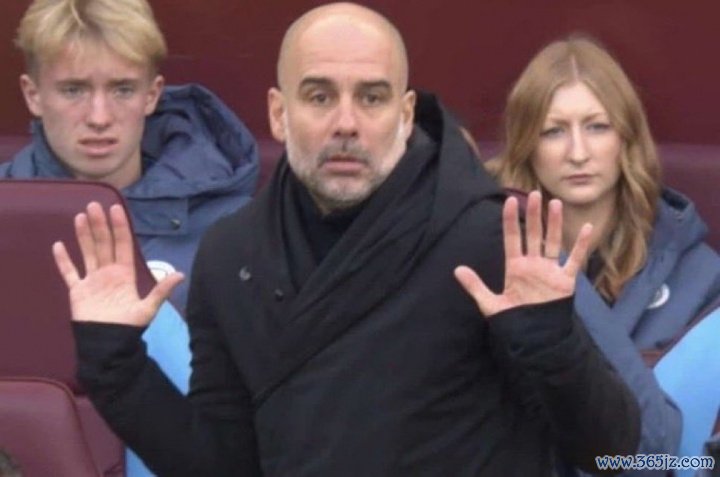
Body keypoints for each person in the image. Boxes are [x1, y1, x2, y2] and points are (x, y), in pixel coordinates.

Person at [53, 4, 640, 476]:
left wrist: (552, 346)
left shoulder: (489, 238)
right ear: (278, 114)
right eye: (319, 96)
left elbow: (612, 453)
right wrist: (113, 364)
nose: (346, 124)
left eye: (372, 97)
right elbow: (221, 464)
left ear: (405, 115)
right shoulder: (233, 254)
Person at [4, 0, 258, 475]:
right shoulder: (6, 215)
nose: (99, 117)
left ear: (152, 94)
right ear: (33, 95)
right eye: (74, 89)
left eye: (122, 89)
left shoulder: (236, 229)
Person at [489, 36, 720, 476]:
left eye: (597, 127)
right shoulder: (485, 255)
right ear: (526, 144)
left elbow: (664, 451)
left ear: (626, 138)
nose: (578, 153)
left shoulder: (701, 277)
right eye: (553, 131)